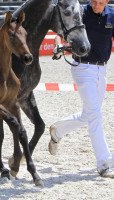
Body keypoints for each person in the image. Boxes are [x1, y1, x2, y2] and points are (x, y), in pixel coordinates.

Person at [49, 0, 114, 178]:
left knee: (89, 115)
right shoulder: (81, 13)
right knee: (95, 115)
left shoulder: (112, 15)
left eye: (100, 3)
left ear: (107, 1)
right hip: (83, 69)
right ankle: (104, 163)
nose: (96, 5)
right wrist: (57, 45)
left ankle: (58, 130)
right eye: (94, 1)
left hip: (102, 70)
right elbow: (59, 34)